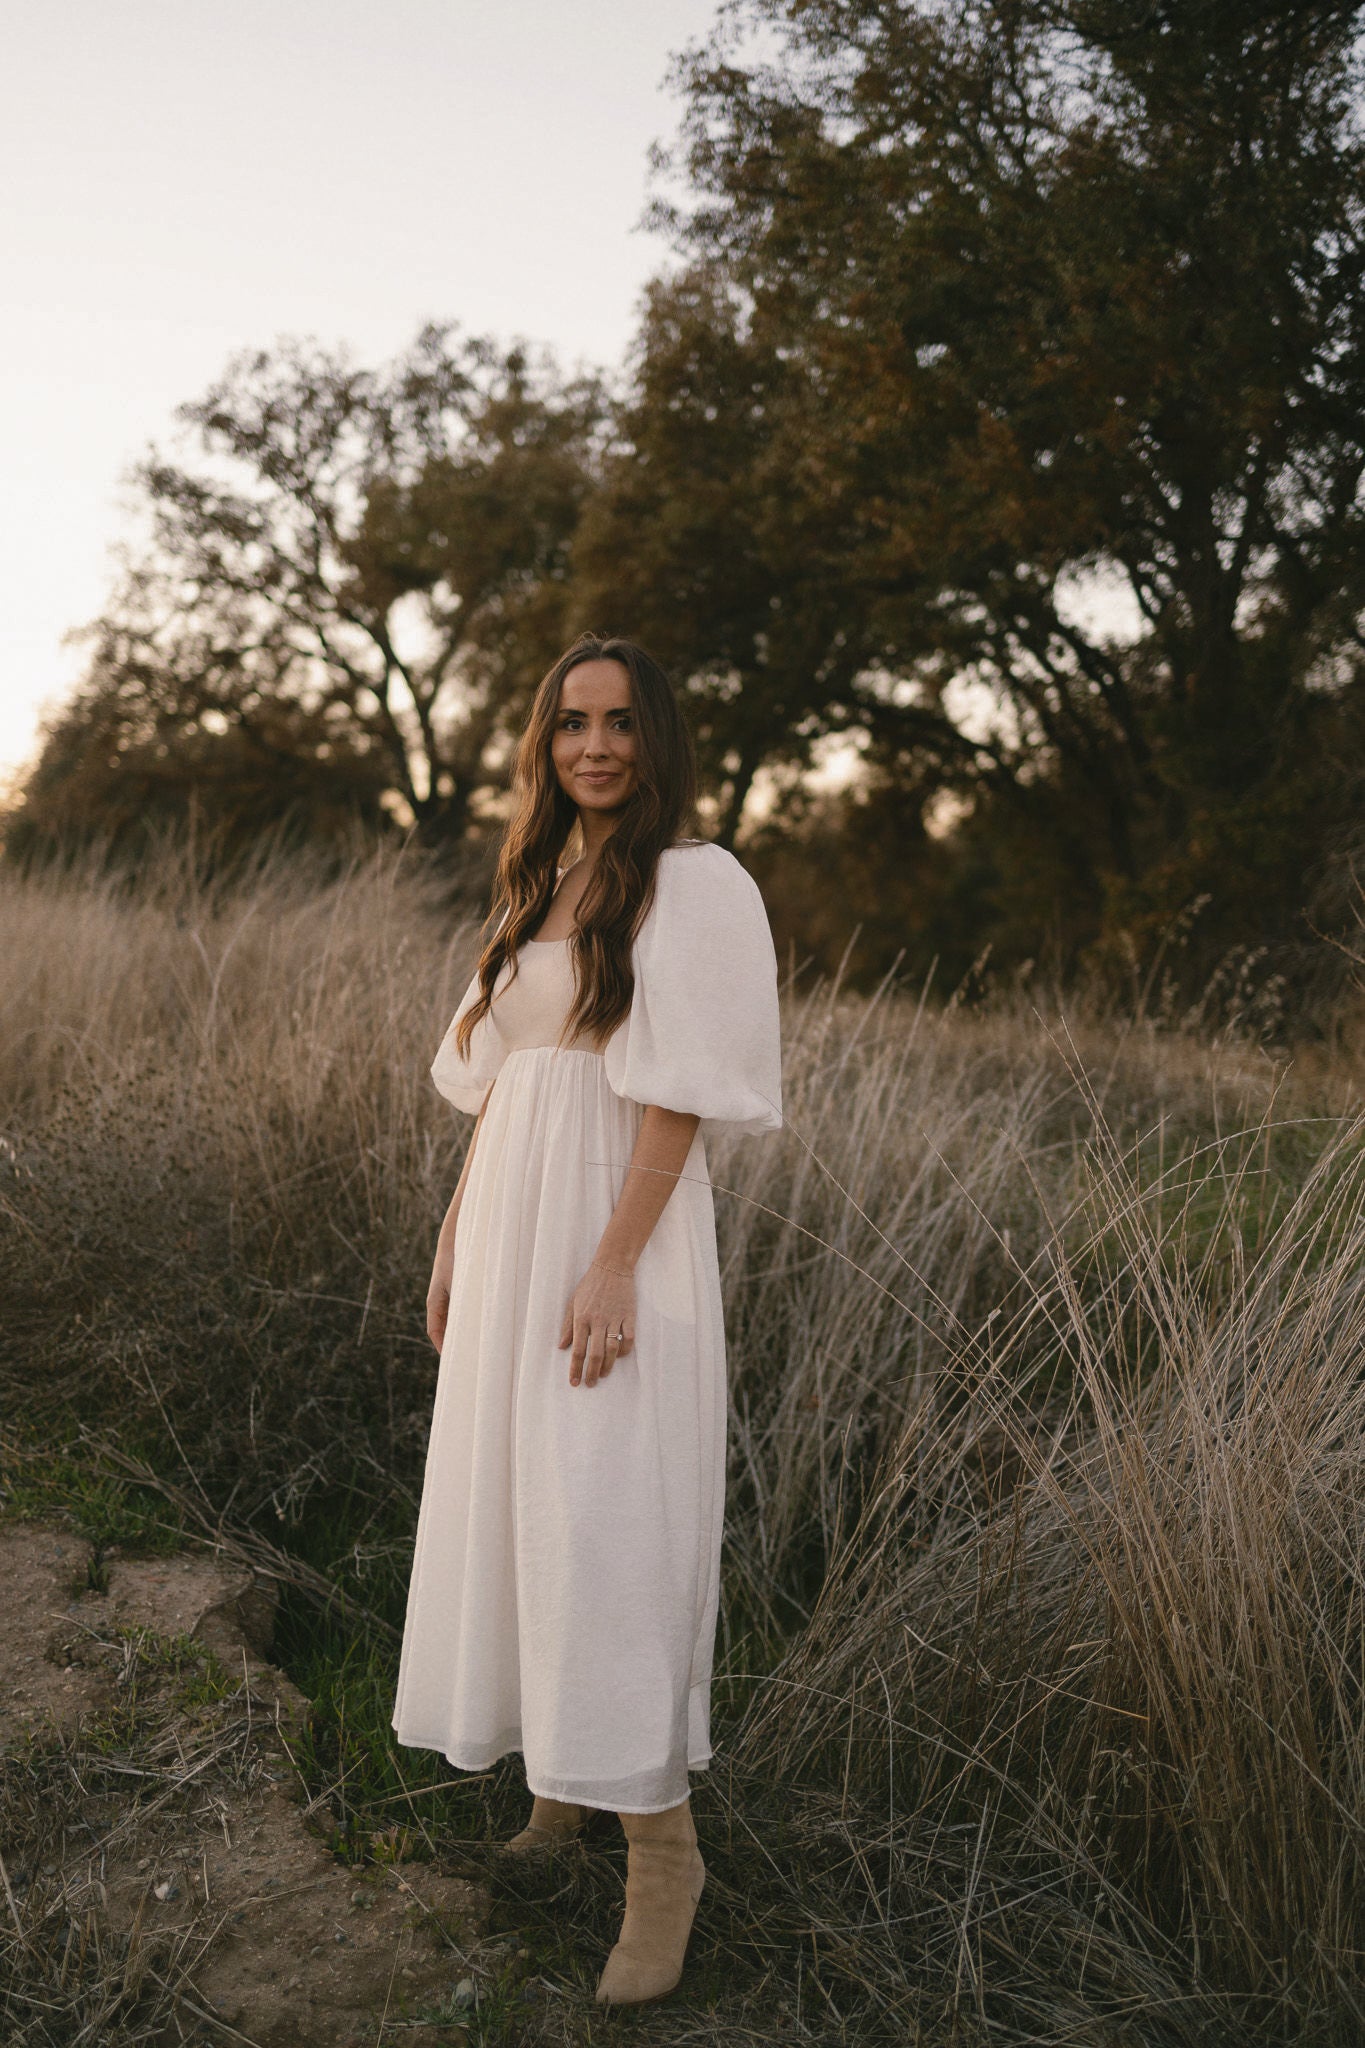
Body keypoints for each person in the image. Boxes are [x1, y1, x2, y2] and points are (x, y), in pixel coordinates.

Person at [390, 633, 783, 2004]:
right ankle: (559, 1796)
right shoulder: (537, 881)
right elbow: (505, 1084)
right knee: (524, 1503)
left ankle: (662, 1854)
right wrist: (454, 1239)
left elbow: (674, 1091)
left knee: (606, 1515)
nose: (595, 746)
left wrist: (615, 1260)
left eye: (619, 722)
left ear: (655, 737)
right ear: (542, 742)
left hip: (616, 1233)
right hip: (510, 1231)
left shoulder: (693, 884)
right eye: (571, 723)